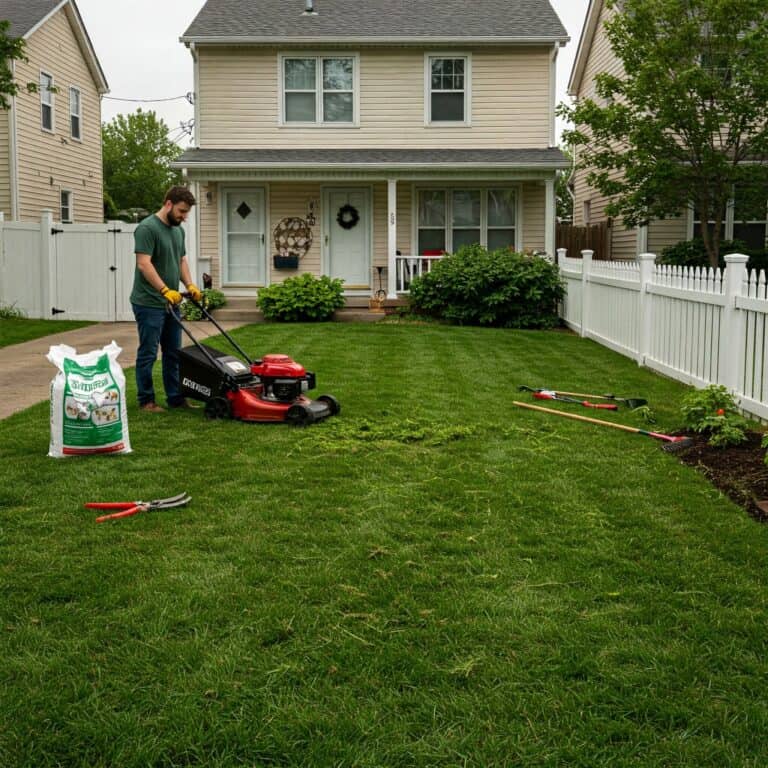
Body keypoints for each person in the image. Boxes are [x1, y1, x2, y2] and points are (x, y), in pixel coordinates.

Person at [130, 186, 203, 412]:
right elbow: (144, 264)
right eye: (182, 211)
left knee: (173, 353)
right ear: (168, 204)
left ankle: (176, 398)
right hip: (148, 302)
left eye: (187, 212)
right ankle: (146, 400)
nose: (184, 216)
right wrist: (164, 290)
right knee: (149, 353)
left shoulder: (178, 231)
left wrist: (189, 285)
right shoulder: (147, 228)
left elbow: (181, 260)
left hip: (171, 302)